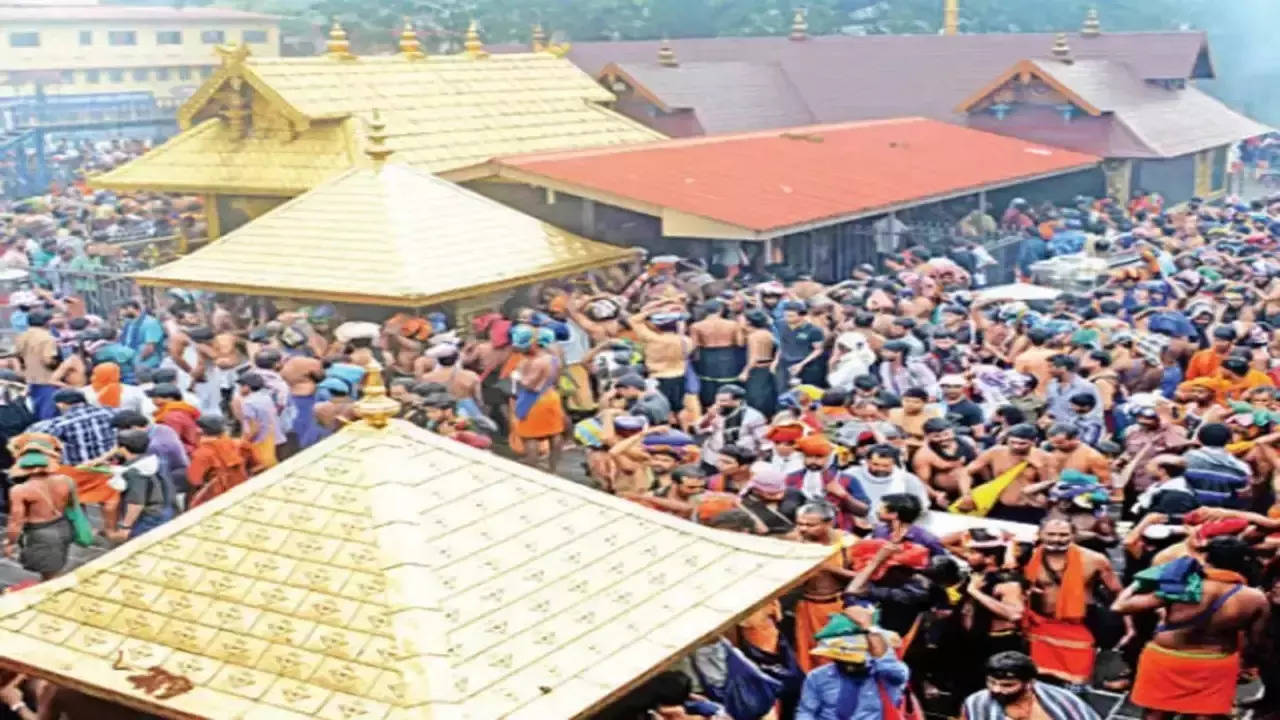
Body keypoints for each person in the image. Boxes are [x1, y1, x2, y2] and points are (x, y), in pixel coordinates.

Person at [1114, 536, 1270, 720]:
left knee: (1154, 714)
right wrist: (1246, 666)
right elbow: (1257, 641)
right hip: (1215, 663)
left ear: (1208, 559)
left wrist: (1143, 580)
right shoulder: (1256, 598)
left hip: (1167, 659)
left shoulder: (1183, 586)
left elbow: (1120, 606)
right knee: (1204, 715)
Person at [1022, 516, 1123, 686]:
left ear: (1074, 535)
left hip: (1077, 625)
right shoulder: (1025, 557)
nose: (1056, 539)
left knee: (1077, 680)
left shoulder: (1095, 560)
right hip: (1038, 624)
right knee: (1037, 678)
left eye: (1063, 535)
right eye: (1051, 534)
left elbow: (1117, 591)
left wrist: (1126, 625)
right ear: (1040, 534)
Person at [796, 606, 910, 720]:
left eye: (856, 662)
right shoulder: (817, 677)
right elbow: (806, 712)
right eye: (844, 660)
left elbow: (889, 666)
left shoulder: (889, 675)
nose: (850, 666)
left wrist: (869, 627)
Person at [794, 502, 857, 674]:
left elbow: (863, 578)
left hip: (838, 607)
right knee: (808, 656)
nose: (803, 529)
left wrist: (826, 568)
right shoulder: (795, 541)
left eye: (810, 525)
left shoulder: (847, 543)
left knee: (834, 656)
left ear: (829, 523)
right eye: (800, 523)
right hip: (807, 607)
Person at [3, 437, 73, 579]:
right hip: (64, 526)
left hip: (42, 533)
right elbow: (71, 505)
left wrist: (10, 542)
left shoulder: (20, 490)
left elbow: (16, 521)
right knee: (57, 564)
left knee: (50, 575)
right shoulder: (66, 480)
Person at [962, 651, 1101, 720]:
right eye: (991, 682)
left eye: (1008, 685)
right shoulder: (976, 702)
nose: (997, 689)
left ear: (1029, 683)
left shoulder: (1061, 701)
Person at [510, 325, 566, 472]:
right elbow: (557, 378)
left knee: (530, 437)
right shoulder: (553, 358)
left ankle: (532, 466)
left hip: (534, 401)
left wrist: (518, 375)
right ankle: (553, 467)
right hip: (551, 396)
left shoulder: (534, 362)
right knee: (554, 433)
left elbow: (529, 384)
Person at [104, 428, 174, 541]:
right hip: (165, 509)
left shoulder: (135, 472)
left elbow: (136, 503)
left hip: (149, 517)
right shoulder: (154, 460)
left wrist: (125, 527)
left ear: (123, 448)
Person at [186, 414, 251, 509]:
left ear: (200, 431)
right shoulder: (239, 444)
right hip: (243, 492)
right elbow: (255, 466)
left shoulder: (202, 454)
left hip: (217, 500)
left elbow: (194, 481)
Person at [13, 310, 59, 420]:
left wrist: (20, 371)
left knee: (35, 409)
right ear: (46, 322)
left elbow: (16, 355)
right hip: (46, 379)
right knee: (48, 412)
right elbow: (48, 360)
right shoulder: (47, 338)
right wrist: (59, 366)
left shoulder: (21, 336)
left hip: (28, 378)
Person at [237, 373, 284, 471]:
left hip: (262, 443)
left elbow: (254, 428)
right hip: (277, 438)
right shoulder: (266, 397)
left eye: (241, 386)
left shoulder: (248, 403)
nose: (239, 389)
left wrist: (243, 442)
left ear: (248, 387)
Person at [84, 361, 154, 416]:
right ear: (117, 375)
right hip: (129, 428)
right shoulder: (134, 391)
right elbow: (148, 411)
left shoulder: (83, 392)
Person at [150, 383, 201, 456]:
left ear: (170, 398)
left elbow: (170, 443)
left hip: (186, 455)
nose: (153, 399)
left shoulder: (172, 415)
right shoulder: (180, 409)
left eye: (156, 396)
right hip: (189, 451)